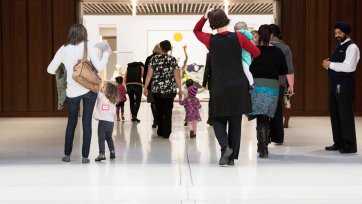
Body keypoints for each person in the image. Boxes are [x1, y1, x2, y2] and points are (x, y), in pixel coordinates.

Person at [194, 8, 260, 166]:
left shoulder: (210, 40)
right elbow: (256, 52)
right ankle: (231, 159)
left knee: (217, 118)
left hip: (220, 85)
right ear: (226, 19)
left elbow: (196, 30)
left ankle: (225, 147)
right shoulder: (239, 37)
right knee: (235, 122)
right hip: (238, 85)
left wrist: (204, 16)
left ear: (212, 23)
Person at [47, 24, 111, 163]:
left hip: (72, 91)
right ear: (84, 34)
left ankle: (67, 155)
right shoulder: (88, 46)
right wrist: (106, 53)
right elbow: (99, 67)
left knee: (71, 122)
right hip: (89, 89)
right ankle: (85, 157)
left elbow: (50, 70)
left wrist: (66, 69)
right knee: (86, 123)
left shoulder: (63, 49)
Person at [248, 25, 288, 158]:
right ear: (271, 36)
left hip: (256, 85)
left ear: (258, 35)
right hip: (272, 86)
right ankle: (263, 145)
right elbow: (283, 70)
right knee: (267, 115)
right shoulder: (278, 52)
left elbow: (247, 68)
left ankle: (263, 145)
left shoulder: (253, 51)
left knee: (260, 115)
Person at [322, 21, 360, 154]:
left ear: (346, 33)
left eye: (340, 33)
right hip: (335, 83)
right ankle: (338, 142)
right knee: (335, 113)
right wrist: (329, 64)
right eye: (335, 33)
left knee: (345, 114)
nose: (337, 35)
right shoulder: (340, 46)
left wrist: (330, 65)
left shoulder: (352, 47)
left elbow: (349, 67)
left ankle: (349, 145)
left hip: (344, 85)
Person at [143, 40, 182, 138]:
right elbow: (177, 76)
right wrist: (180, 89)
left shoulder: (154, 59)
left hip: (157, 90)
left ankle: (160, 130)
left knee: (159, 110)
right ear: (169, 49)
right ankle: (167, 132)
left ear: (160, 47)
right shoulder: (173, 60)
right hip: (169, 91)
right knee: (168, 111)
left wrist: (145, 87)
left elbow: (149, 74)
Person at [268, 24, 295, 142]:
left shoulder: (261, 46)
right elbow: (289, 69)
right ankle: (277, 137)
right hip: (279, 82)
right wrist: (291, 86)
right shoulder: (285, 48)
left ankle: (264, 136)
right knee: (277, 109)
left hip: (263, 82)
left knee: (264, 108)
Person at [93, 82, 118, 161]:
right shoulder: (112, 100)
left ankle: (102, 154)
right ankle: (112, 151)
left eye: (104, 87)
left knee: (101, 138)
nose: (102, 87)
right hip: (111, 122)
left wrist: (97, 84)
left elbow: (96, 90)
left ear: (107, 90)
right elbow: (114, 112)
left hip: (103, 122)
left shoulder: (102, 96)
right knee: (109, 137)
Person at [144, 43, 162, 128]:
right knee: (160, 102)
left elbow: (146, 73)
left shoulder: (149, 58)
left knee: (153, 103)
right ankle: (159, 119)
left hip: (151, 84)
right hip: (161, 84)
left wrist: (145, 86)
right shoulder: (162, 58)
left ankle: (155, 120)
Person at [234, 21, 255, 89]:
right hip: (243, 57)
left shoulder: (247, 36)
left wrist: (242, 31)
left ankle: (251, 83)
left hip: (246, 58)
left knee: (246, 70)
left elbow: (250, 35)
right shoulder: (238, 37)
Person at [202, 53, 213, 126]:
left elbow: (207, 68)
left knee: (212, 100)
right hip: (224, 81)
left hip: (213, 81)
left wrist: (204, 82)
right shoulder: (225, 52)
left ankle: (211, 119)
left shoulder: (210, 54)